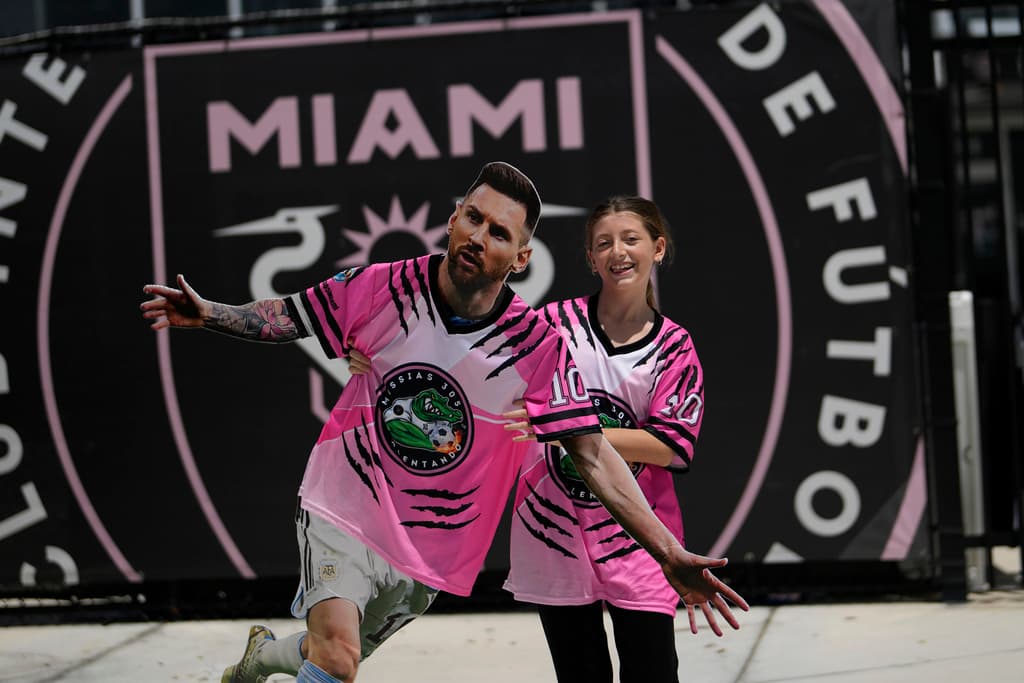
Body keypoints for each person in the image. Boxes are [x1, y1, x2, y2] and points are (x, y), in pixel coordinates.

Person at [141, 163, 747, 683]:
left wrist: (669, 553)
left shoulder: (537, 346)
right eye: (473, 218)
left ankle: (262, 657)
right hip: (347, 499)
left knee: (332, 653)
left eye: (499, 232)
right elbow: (289, 314)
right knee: (339, 657)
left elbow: (590, 454)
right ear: (453, 220)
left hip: (432, 542)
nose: (479, 236)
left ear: (521, 258)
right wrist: (212, 313)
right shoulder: (381, 287)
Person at [502, 195, 705, 682]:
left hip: (639, 535)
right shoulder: (552, 325)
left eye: (631, 239)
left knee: (653, 671)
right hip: (554, 530)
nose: (618, 252)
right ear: (591, 259)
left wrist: (568, 427)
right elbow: (472, 357)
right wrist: (373, 354)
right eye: (604, 243)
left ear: (658, 249)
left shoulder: (674, 347)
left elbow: (669, 446)